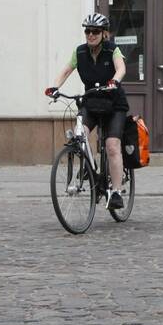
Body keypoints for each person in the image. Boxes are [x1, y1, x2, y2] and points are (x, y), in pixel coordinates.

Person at [45, 12, 128, 209]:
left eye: (95, 31)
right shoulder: (80, 52)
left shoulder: (112, 50)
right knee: (77, 134)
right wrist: (54, 87)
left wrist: (115, 81)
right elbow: (66, 70)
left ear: (104, 33)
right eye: (87, 31)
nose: (90, 35)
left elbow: (121, 68)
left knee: (112, 145)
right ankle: (89, 167)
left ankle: (115, 192)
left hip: (114, 104)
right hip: (91, 102)